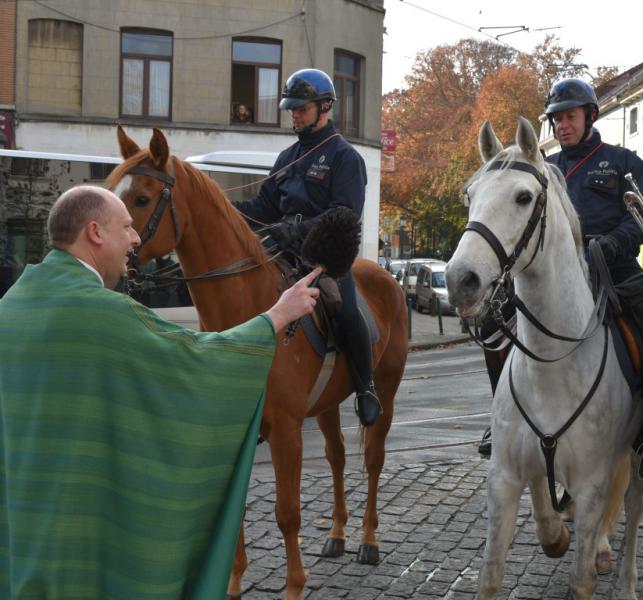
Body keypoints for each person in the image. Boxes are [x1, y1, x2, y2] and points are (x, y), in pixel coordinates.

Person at [0, 185, 321, 599]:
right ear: (96, 233)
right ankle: (367, 387)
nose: (135, 239)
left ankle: (364, 378)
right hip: (84, 545)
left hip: (22, 538)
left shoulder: (10, 305)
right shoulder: (109, 315)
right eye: (127, 227)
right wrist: (278, 314)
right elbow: (196, 359)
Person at [541, 78, 643, 483]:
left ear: (590, 116)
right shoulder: (547, 170)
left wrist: (610, 245)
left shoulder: (623, 162)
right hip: (560, 276)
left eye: (569, 117)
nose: (562, 126)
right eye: (556, 120)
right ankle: (504, 422)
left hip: (616, 272)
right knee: (504, 332)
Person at [233, 68, 382, 427]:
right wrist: (223, 211)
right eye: (292, 109)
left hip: (326, 257)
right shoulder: (287, 158)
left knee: (345, 310)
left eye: (302, 108)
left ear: (325, 106)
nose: (295, 115)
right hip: (281, 251)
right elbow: (263, 208)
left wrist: (297, 230)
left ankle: (366, 386)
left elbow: (345, 216)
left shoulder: (345, 157)